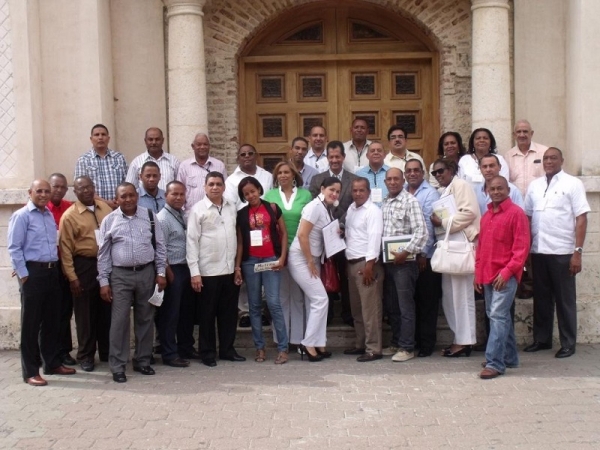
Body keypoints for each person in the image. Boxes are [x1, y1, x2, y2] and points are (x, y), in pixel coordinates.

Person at [8, 179, 76, 386]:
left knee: (52, 322)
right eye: (39, 191)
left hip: (51, 272)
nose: (44, 194)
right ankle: (30, 371)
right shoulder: (21, 216)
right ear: (30, 192)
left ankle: (52, 363)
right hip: (33, 274)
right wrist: (23, 274)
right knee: (31, 324)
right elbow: (14, 247)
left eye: (47, 191)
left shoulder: (48, 215)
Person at [523, 147, 590, 358]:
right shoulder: (535, 186)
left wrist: (577, 252)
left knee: (564, 299)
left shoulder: (573, 184)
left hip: (563, 252)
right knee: (541, 298)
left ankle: (568, 343)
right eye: (545, 158)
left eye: (553, 158)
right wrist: (526, 250)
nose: (549, 161)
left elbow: (581, 218)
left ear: (562, 159)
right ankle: (541, 340)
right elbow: (528, 217)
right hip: (539, 251)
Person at [97, 182, 167, 383]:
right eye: (123, 197)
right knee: (119, 322)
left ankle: (143, 360)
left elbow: (160, 246)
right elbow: (103, 255)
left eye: (131, 195)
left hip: (146, 272)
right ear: (117, 199)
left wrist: (160, 272)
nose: (127, 200)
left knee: (145, 318)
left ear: (137, 196)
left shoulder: (150, 217)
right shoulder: (109, 221)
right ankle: (118, 365)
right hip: (120, 276)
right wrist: (103, 281)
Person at [186, 172, 245, 367]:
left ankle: (227, 350)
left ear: (224, 187)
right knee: (207, 315)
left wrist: (237, 267)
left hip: (229, 269)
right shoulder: (198, 210)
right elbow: (192, 242)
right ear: (205, 187)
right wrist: (194, 272)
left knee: (228, 314)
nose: (215, 187)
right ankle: (208, 352)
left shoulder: (231, 207)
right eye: (211, 184)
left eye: (218, 184)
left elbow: (236, 236)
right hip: (207, 271)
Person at [475, 176, 530, 379]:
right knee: (498, 316)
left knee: (497, 316)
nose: (496, 192)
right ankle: (509, 357)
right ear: (488, 190)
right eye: (493, 188)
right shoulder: (486, 216)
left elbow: (521, 249)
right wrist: (478, 275)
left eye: (500, 188)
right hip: (487, 274)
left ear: (508, 190)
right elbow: (481, 249)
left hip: (504, 276)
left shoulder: (516, 214)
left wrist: (507, 272)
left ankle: (494, 363)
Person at [59, 176, 113, 372]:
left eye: (89, 187)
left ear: (94, 187)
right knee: (85, 313)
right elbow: (65, 249)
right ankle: (86, 355)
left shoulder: (104, 208)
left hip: (106, 263)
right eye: (81, 189)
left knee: (106, 309)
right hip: (84, 265)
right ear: (76, 192)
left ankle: (106, 351)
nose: (86, 191)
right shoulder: (70, 216)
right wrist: (72, 277)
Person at [235, 177, 289, 364]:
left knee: (274, 303)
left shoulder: (272, 208)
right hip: (250, 262)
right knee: (254, 306)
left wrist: (282, 258)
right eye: (246, 193)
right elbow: (241, 242)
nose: (251, 195)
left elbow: (283, 234)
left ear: (259, 189)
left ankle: (283, 348)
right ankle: (260, 348)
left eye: (253, 191)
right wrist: (238, 266)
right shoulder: (242, 214)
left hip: (271, 260)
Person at [430, 158, 481, 357]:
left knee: (462, 295)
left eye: (441, 171)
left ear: (451, 169)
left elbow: (469, 213)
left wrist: (442, 221)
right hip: (449, 244)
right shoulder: (444, 190)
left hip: (461, 242)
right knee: (450, 297)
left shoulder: (461, 185)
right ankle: (458, 338)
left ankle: (465, 341)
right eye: (434, 173)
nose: (438, 175)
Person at [288, 177, 341, 361]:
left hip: (314, 257)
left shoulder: (326, 208)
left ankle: (319, 343)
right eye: (331, 190)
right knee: (320, 299)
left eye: (337, 191)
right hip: (301, 258)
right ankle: (308, 342)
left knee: (315, 302)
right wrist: (310, 261)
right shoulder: (314, 207)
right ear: (323, 188)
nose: (334, 194)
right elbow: (302, 235)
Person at [309, 141, 358, 326]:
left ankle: (348, 314)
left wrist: (341, 223)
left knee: (346, 276)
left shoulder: (353, 179)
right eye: (331, 157)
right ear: (327, 158)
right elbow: (314, 205)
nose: (335, 160)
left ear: (343, 157)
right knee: (326, 275)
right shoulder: (317, 179)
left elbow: (355, 204)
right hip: (323, 237)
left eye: (338, 156)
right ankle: (327, 315)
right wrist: (327, 226)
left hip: (345, 236)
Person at [381, 168, 428, 362]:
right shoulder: (384, 203)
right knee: (392, 306)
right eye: (389, 179)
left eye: (396, 179)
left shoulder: (410, 201)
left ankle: (407, 347)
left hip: (405, 264)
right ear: (385, 182)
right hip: (388, 263)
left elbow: (421, 232)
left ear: (402, 181)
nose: (392, 182)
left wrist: (406, 252)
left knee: (405, 306)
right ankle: (396, 342)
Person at [264, 162, 312, 350]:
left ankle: (298, 340)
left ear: (294, 175)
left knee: (298, 297)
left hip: (300, 251)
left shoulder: (306, 195)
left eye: (286, 172)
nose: (283, 175)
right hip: (278, 252)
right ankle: (281, 339)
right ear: (276, 177)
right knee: (280, 297)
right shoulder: (270, 196)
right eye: (279, 173)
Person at [224, 144, 273, 327]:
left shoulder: (267, 176)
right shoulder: (231, 181)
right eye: (242, 154)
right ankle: (245, 312)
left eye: (250, 153)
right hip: (244, 228)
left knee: (265, 268)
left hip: (265, 231)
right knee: (247, 269)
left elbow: (269, 201)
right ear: (238, 157)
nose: (246, 157)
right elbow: (231, 205)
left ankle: (264, 310)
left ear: (256, 155)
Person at [343, 178, 384, 361]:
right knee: (357, 309)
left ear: (368, 192)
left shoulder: (373, 211)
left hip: (366, 265)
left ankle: (373, 348)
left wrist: (370, 265)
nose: (358, 193)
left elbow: (374, 238)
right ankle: (360, 344)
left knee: (370, 310)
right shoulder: (351, 209)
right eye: (355, 190)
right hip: (351, 263)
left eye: (361, 190)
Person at [404, 159, 442, 357]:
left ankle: (427, 344)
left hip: (425, 256)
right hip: (405, 256)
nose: (412, 174)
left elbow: (428, 224)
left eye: (416, 170)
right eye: (408, 171)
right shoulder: (401, 191)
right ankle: (415, 340)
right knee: (412, 300)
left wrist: (423, 254)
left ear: (422, 173)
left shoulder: (430, 193)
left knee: (428, 301)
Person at [156, 181, 193, 368]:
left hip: (185, 267)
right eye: (174, 194)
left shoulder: (181, 215)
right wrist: (167, 272)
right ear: (166, 196)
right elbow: (160, 248)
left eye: (181, 194)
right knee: (170, 313)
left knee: (185, 312)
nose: (178, 198)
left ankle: (186, 347)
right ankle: (169, 353)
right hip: (173, 270)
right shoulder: (162, 218)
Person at [47, 173, 75, 366]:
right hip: (46, 267)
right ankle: (47, 351)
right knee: (48, 312)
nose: (58, 190)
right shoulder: (39, 209)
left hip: (64, 265)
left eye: (62, 187)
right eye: (54, 186)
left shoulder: (69, 208)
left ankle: (64, 351)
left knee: (65, 310)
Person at [74, 124, 128, 209]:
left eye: (103, 134)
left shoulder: (119, 158)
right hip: (95, 208)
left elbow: (126, 183)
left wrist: (119, 201)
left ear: (108, 138)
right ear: (91, 139)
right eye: (96, 135)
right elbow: (81, 189)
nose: (100, 137)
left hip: (119, 207)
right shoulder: (83, 160)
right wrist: (106, 203)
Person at [177, 133, 228, 213]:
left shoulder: (219, 165)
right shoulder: (184, 166)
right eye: (199, 144)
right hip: (191, 214)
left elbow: (225, 190)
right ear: (193, 146)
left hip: (215, 213)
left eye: (205, 144)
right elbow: (179, 191)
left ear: (209, 146)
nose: (202, 147)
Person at [504, 120, 548, 197]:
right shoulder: (507, 156)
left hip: (539, 201)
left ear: (531, 134)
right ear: (514, 135)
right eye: (518, 132)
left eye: (525, 131)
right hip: (517, 203)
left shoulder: (544, 152)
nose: (522, 135)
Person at [355, 142, 390, 207]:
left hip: (388, 213)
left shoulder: (391, 173)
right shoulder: (359, 174)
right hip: (366, 214)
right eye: (372, 151)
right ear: (367, 155)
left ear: (385, 155)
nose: (376, 153)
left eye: (379, 150)